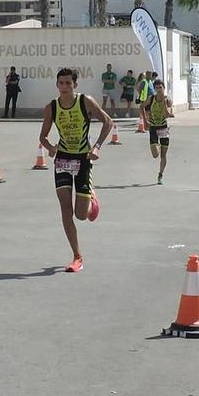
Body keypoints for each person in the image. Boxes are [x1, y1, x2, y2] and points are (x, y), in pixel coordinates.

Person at [38, 67, 116, 272]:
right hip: (63, 159)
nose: (64, 87)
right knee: (65, 209)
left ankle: (92, 200)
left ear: (75, 85)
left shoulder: (85, 101)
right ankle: (77, 256)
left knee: (81, 214)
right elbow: (42, 137)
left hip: (83, 158)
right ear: (57, 85)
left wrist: (97, 146)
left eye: (68, 83)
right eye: (61, 83)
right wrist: (51, 148)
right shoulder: (51, 107)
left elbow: (108, 121)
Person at [143, 73, 174, 182]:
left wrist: (165, 104)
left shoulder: (168, 100)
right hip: (153, 127)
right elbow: (142, 106)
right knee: (155, 154)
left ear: (164, 88)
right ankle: (158, 146)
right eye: (156, 88)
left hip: (163, 127)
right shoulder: (151, 99)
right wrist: (145, 121)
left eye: (160, 87)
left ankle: (160, 174)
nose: (159, 89)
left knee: (163, 155)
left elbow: (167, 115)